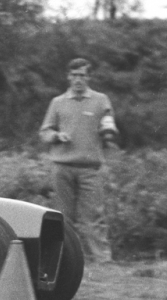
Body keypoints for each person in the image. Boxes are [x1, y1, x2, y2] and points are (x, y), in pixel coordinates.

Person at [39, 58, 119, 263]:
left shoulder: (101, 100)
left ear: (89, 77)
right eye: (74, 75)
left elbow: (108, 124)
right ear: (68, 77)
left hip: (90, 167)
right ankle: (65, 258)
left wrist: (108, 132)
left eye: (82, 75)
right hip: (62, 166)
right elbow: (45, 132)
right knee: (62, 216)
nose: (78, 80)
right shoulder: (58, 102)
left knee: (94, 216)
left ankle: (102, 260)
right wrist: (56, 136)